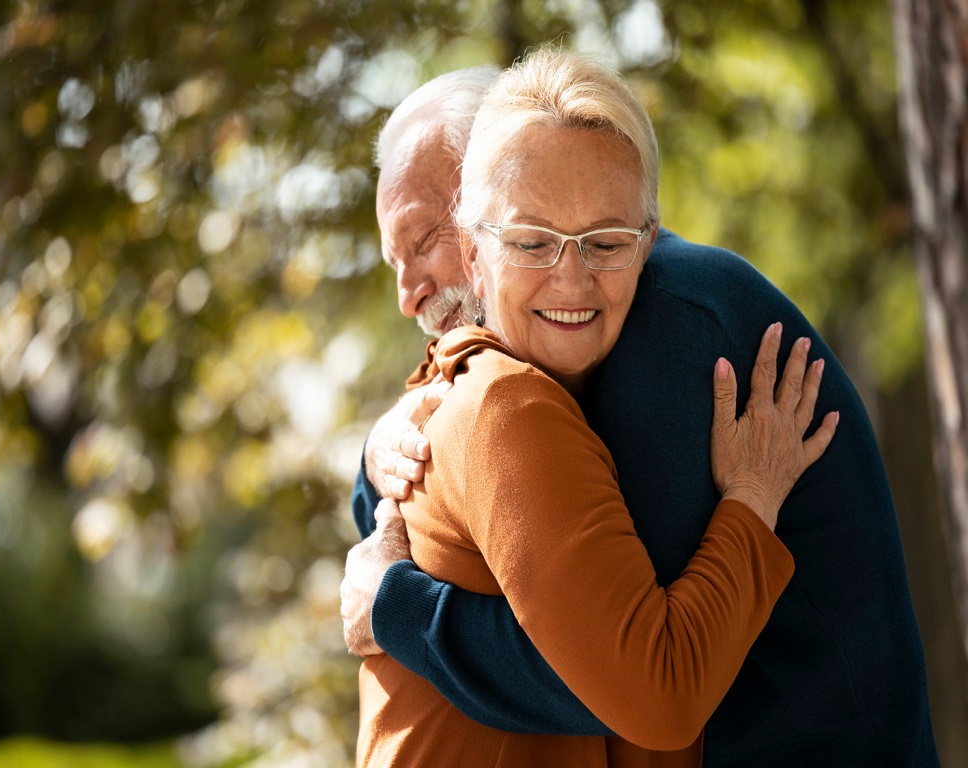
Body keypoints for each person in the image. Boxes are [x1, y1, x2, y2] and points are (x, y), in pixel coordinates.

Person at [342, 58, 940, 767]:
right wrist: (378, 456)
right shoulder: (525, 365)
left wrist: (399, 611)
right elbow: (414, 516)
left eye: (421, 241)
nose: (409, 294)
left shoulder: (667, 338)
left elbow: (629, 676)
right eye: (533, 243)